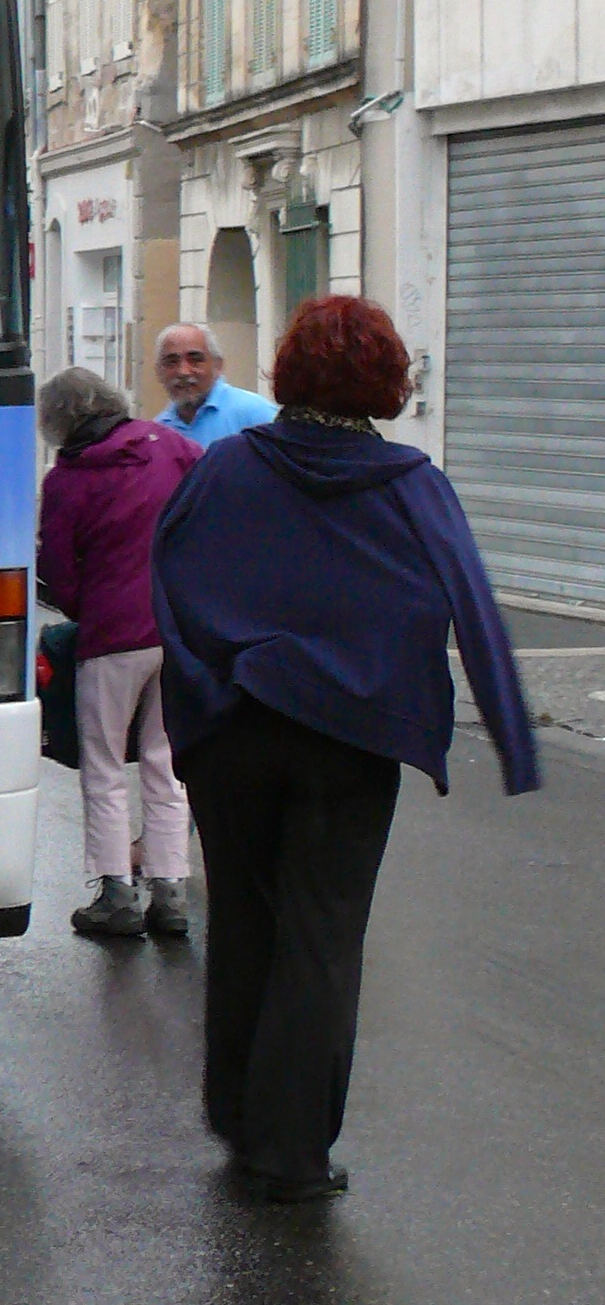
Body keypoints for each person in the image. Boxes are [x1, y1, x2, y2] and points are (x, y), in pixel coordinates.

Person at [153, 293, 538, 1203]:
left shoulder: (226, 468)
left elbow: (169, 579)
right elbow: (472, 604)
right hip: (351, 737)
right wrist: (511, 738)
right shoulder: (411, 483)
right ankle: (289, 1154)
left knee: (243, 925)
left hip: (233, 731)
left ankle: (238, 1115)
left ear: (288, 373)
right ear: (385, 381)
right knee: (321, 938)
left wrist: (201, 695)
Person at [35, 367, 200, 942]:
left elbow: (57, 570)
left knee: (104, 766)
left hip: (110, 638)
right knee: (165, 763)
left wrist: (86, 605)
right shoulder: (172, 447)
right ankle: (170, 892)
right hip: (176, 631)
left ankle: (117, 894)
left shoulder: (67, 480)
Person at [152, 320, 277, 450]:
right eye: (172, 362)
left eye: (195, 360)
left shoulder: (256, 413)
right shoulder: (157, 432)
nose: (183, 371)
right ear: (158, 371)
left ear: (218, 365)